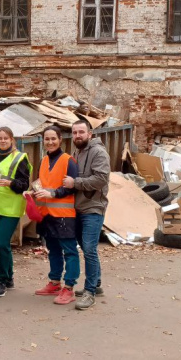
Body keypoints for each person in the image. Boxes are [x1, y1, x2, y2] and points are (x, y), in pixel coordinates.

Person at [62, 120, 110, 310]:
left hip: (93, 207)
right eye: (74, 132)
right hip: (78, 208)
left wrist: (75, 183)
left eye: (81, 132)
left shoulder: (98, 152)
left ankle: (90, 292)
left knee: (89, 248)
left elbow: (101, 179)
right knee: (85, 247)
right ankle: (96, 283)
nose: (77, 136)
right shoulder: (77, 152)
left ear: (90, 134)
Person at [33, 125, 80, 305]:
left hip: (64, 214)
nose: (50, 142)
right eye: (47, 139)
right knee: (53, 250)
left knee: (70, 251)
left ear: (60, 140)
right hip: (47, 214)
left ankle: (69, 287)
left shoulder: (68, 161)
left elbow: (72, 187)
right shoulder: (44, 160)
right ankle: (54, 283)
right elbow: (42, 184)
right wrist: (33, 192)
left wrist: (52, 193)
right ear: (43, 141)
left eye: (53, 138)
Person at [0, 126, 31, 298]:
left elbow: (24, 184)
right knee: (2, 245)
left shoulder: (20, 158)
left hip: (10, 208)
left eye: (6, 138)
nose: (3, 141)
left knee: (0, 244)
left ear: (12, 139)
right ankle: (9, 278)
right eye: (0, 138)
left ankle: (2, 281)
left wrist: (10, 183)